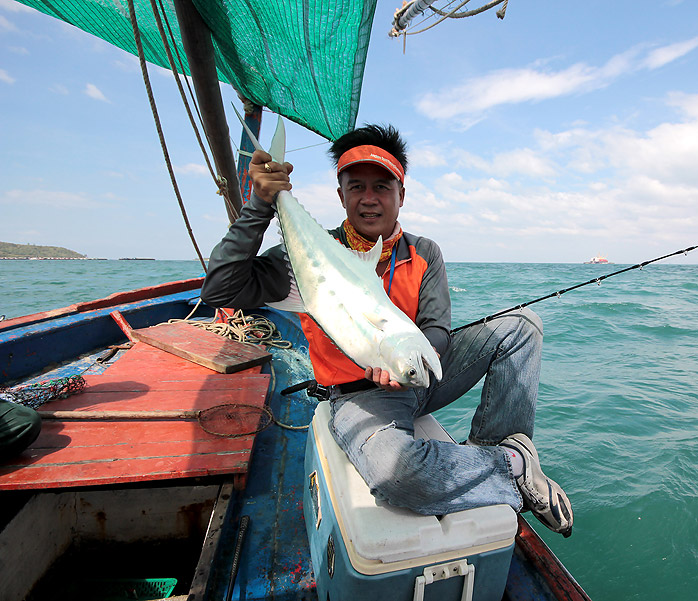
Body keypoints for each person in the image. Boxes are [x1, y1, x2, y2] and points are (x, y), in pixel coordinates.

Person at [201, 124, 573, 536]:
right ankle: (513, 468)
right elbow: (220, 288)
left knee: (521, 326)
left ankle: (492, 449)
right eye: (356, 186)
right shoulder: (305, 256)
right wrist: (261, 205)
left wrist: (405, 360)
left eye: (382, 186)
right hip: (360, 398)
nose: (369, 198)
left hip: (418, 372)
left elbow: (437, 329)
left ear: (401, 195)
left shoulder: (423, 251)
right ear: (340, 195)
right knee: (398, 476)